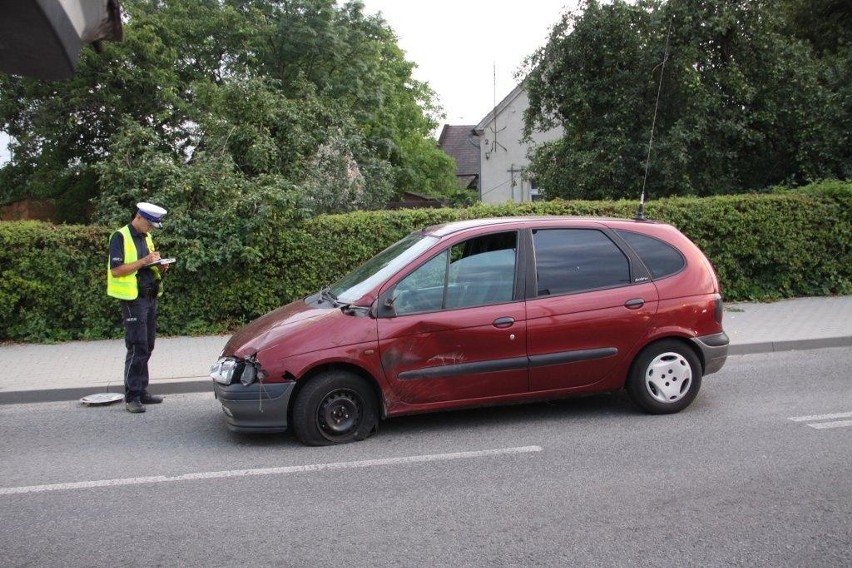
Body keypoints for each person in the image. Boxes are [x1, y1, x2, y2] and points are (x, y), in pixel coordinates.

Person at [107, 202, 170, 414]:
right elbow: (116, 270)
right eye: (150, 225)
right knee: (137, 347)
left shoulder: (146, 237)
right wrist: (144, 261)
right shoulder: (120, 237)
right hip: (132, 299)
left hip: (149, 296)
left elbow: (147, 265)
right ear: (139, 217)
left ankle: (141, 390)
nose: (151, 229)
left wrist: (159, 264)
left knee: (148, 345)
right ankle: (132, 396)